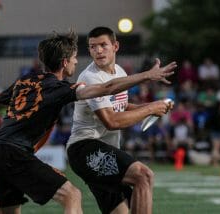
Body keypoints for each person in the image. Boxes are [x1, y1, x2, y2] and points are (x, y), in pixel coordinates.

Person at [0, 30, 175, 214]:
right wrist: (148, 76)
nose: (77, 62)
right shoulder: (60, 88)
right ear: (65, 62)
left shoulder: (25, 81)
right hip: (18, 152)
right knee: (72, 196)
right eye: (75, 58)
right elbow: (106, 90)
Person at [66, 27, 176, 214]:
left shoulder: (120, 72)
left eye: (103, 45)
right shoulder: (90, 77)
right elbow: (112, 121)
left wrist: (155, 106)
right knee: (144, 176)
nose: (98, 50)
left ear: (115, 46)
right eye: (93, 47)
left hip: (104, 151)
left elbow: (121, 106)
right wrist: (150, 108)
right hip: (84, 149)